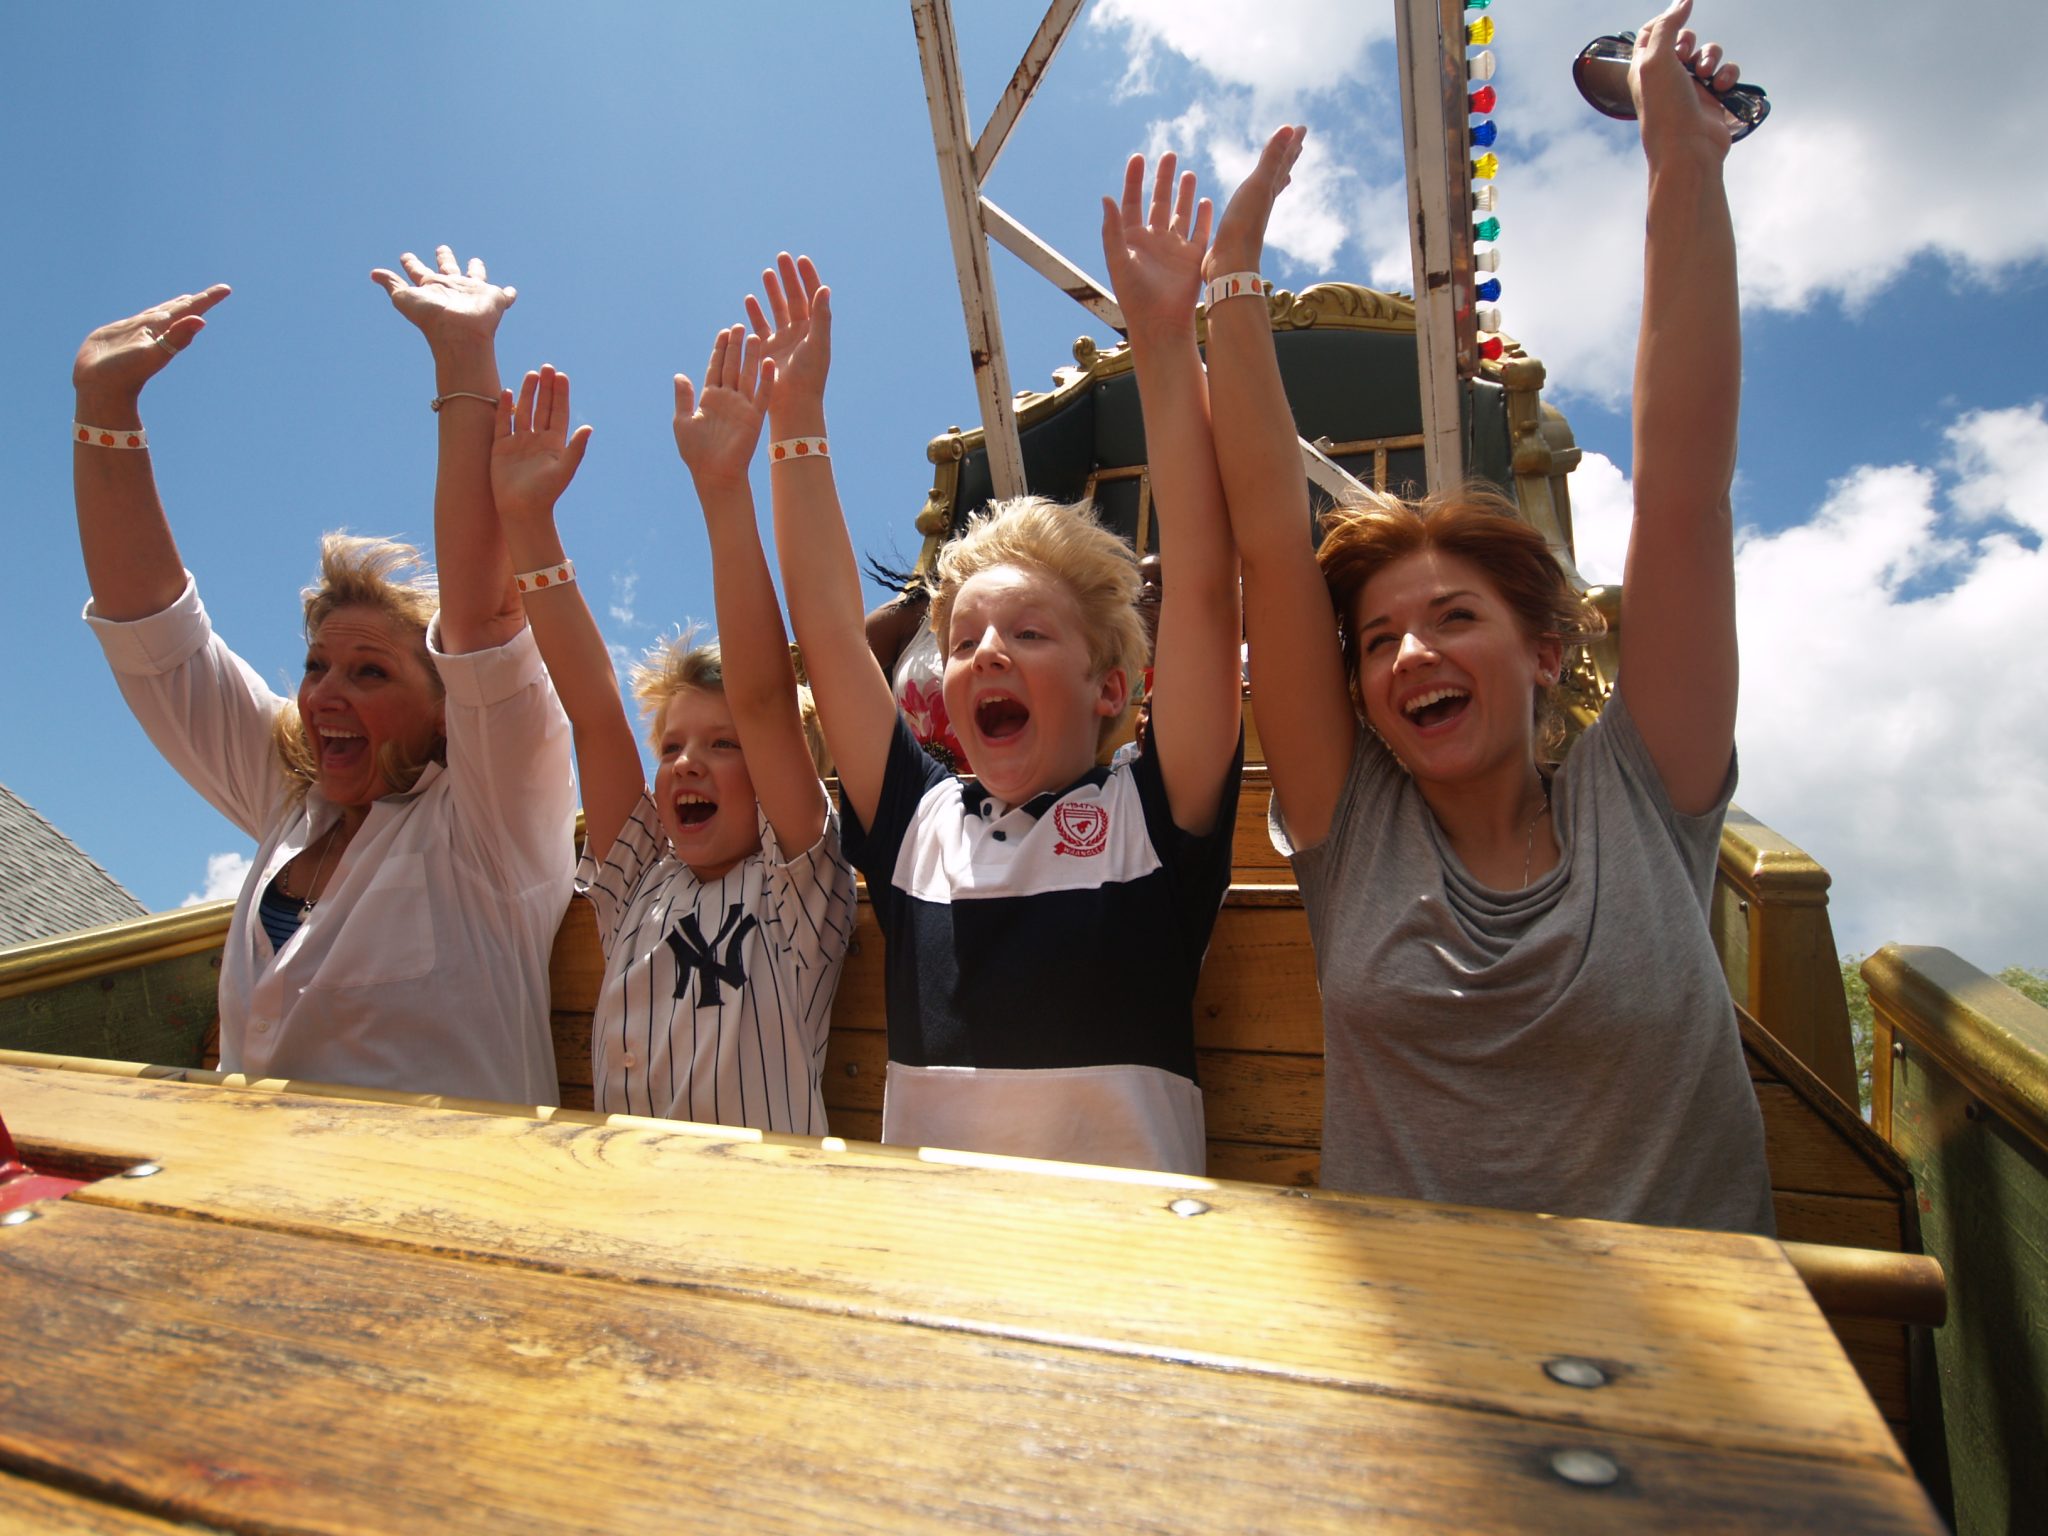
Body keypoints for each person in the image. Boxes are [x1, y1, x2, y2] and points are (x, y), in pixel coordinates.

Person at [1206, 1, 1774, 1232]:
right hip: (1437, 1363)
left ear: (1546, 650)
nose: (1409, 651)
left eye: (1453, 616)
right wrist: (1231, 285)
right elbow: (1264, 538)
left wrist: (1682, 162)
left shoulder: (1645, 792)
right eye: (1374, 641)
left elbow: (1680, 490)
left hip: (1697, 1358)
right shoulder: (1350, 828)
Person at [764, 223, 1242, 1174]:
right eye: (966, 641)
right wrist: (795, 425)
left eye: (1028, 634)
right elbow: (823, 629)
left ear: (1113, 685)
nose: (986, 656)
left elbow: (1200, 582)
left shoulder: (1146, 816)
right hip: (943, 1283)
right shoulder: (918, 825)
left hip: (1124, 1281)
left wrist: (1160, 341)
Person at [74, 249, 575, 1105]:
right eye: (316, 667)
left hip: (441, 1228)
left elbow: (486, 624)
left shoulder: (491, 828)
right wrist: (103, 406)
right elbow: (157, 638)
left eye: (371, 671)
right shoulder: (290, 799)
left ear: (445, 712)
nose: (325, 694)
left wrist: (464, 361)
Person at [488, 340, 855, 1134]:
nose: (687, 762)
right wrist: (528, 524)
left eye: (723, 746)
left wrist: (723, 490)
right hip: (628, 1212)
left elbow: (763, 700)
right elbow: (594, 713)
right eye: (674, 748)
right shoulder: (639, 889)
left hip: (756, 1226)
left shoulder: (797, 886)